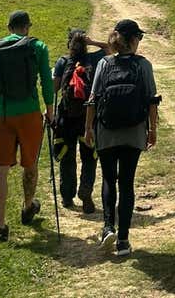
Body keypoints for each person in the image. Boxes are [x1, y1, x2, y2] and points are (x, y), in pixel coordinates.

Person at [84, 19, 159, 256]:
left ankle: (108, 227)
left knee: (108, 179)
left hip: (106, 130)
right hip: (134, 131)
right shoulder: (143, 65)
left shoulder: (104, 63)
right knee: (126, 182)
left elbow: (93, 99)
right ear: (133, 40)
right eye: (139, 38)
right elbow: (151, 101)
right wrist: (152, 130)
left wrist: (88, 129)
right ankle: (124, 241)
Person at [0, 10, 54, 242]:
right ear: (27, 27)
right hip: (30, 113)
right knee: (29, 163)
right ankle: (28, 206)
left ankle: (0, 227)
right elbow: (47, 82)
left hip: (2, 116)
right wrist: (49, 109)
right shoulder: (38, 47)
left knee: (0, 167)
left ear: (9, 27)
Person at [52, 29, 110, 213]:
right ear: (85, 44)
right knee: (89, 157)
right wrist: (93, 42)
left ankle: (67, 196)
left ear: (69, 44)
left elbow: (54, 88)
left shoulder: (62, 62)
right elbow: (110, 47)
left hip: (67, 117)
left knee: (67, 156)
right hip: (89, 117)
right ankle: (86, 191)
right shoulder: (94, 60)